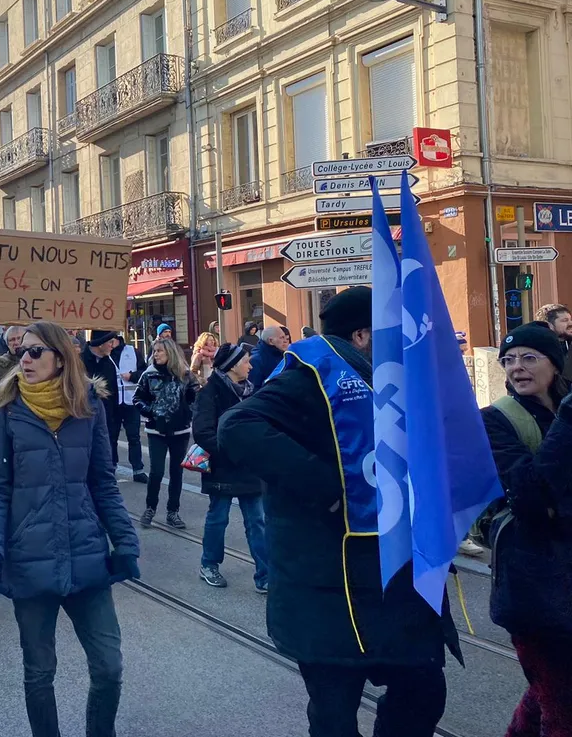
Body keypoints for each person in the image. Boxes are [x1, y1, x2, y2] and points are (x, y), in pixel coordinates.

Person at [219, 287, 461, 737]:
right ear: (364, 334)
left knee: (424, 693)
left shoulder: (395, 376)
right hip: (331, 585)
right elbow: (238, 426)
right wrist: (331, 488)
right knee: (334, 714)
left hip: (396, 579)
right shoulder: (309, 374)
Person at [0, 322, 139, 737]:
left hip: (86, 554)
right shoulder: (5, 409)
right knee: (39, 671)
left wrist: (124, 540)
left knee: (109, 665)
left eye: (35, 352)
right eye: (22, 353)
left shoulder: (88, 406)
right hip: (29, 558)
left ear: (60, 356)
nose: (25, 360)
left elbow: (103, 481)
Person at [481, 324, 572, 733]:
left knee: (545, 695)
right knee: (562, 708)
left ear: (556, 364)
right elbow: (531, 501)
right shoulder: (495, 421)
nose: (517, 367)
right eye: (509, 360)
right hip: (536, 592)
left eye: (529, 357)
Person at [193, 342, 269, 591]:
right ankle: (209, 564)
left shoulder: (251, 390)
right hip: (222, 466)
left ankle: (265, 574)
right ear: (233, 365)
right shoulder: (210, 392)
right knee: (218, 518)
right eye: (246, 360)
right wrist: (231, 450)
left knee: (256, 520)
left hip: (249, 466)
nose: (251, 364)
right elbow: (203, 432)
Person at [134, 336, 200, 530]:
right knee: (156, 471)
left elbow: (194, 398)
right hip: (156, 430)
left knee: (176, 473)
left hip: (180, 430)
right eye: (154, 351)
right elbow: (138, 398)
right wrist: (151, 411)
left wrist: (186, 412)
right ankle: (150, 508)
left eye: (159, 351)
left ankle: (173, 512)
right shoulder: (149, 374)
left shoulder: (186, 375)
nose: (156, 354)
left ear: (170, 352)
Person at [81, 330, 123, 472]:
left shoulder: (109, 364)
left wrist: (115, 417)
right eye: (110, 342)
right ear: (100, 343)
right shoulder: (79, 362)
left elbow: (113, 394)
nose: (113, 345)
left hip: (106, 418)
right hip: (83, 417)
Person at [112, 335, 148, 484]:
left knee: (134, 437)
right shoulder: (105, 354)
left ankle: (138, 470)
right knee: (111, 438)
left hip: (130, 401)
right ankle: (111, 468)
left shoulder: (132, 351)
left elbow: (144, 372)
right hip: (112, 402)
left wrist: (132, 376)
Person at [536, 302, 572, 383]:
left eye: (570, 319)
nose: (570, 323)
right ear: (549, 325)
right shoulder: (538, 350)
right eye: (564, 320)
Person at [248, 324, 291, 390]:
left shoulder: (283, 354)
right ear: (271, 341)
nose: (285, 341)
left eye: (286, 338)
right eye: (281, 337)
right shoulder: (256, 360)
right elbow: (254, 389)